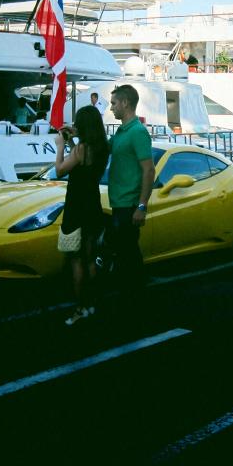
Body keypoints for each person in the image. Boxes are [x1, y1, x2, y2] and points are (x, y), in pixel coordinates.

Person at [55, 106, 110, 326]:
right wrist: (71, 142)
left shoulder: (81, 149)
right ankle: (91, 304)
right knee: (89, 259)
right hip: (92, 205)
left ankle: (79, 308)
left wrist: (60, 147)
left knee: (75, 260)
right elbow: (82, 163)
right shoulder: (101, 148)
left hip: (76, 207)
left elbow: (60, 169)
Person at [104, 84, 155, 299]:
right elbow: (103, 148)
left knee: (128, 254)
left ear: (125, 103)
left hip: (129, 205)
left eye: (114, 103)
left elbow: (149, 170)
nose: (111, 108)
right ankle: (132, 299)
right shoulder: (121, 131)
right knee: (126, 253)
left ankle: (135, 301)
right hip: (118, 203)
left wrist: (141, 206)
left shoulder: (137, 132)